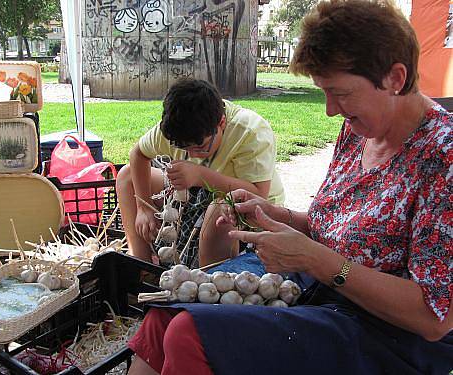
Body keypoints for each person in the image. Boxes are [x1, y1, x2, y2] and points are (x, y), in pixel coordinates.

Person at [125, 0, 452, 373]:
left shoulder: (443, 159)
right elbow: (337, 228)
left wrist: (315, 259)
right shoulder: (359, 132)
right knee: (166, 314)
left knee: (189, 332)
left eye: (340, 93)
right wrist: (278, 216)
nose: (330, 109)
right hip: (322, 287)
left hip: (383, 333)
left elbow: (433, 316)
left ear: (395, 78)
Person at [116, 78, 284, 268]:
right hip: (194, 194)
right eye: (183, 147)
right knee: (127, 176)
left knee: (219, 209)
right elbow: (138, 154)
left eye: (200, 146)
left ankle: (206, 281)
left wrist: (200, 175)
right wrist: (143, 206)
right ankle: (141, 265)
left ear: (222, 123)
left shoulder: (250, 131)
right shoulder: (177, 127)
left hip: (250, 210)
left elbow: (258, 193)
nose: (192, 154)